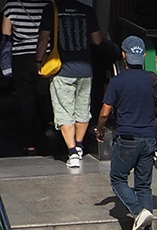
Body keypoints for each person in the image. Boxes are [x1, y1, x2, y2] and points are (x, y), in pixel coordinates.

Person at [96, 36, 157, 230]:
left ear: (124, 55)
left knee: (117, 179)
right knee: (144, 186)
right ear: (142, 55)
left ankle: (139, 212)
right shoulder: (152, 78)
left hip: (127, 139)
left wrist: (99, 129)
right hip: (149, 138)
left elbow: (105, 112)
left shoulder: (117, 81)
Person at [35, 0, 102, 171]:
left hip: (62, 71)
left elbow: (44, 37)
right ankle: (79, 146)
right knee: (82, 110)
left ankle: (72, 153)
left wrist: (38, 61)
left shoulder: (52, 9)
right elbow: (97, 40)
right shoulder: (86, 10)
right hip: (85, 69)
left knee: (64, 111)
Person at [1, 0, 49, 152]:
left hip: (21, 58)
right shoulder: (48, 4)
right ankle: (50, 136)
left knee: (25, 100)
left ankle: (30, 143)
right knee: (47, 96)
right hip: (45, 57)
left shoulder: (12, 6)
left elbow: (6, 31)